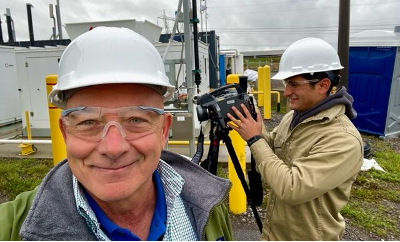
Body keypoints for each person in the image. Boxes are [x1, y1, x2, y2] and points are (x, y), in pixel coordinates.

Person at [0, 27, 233, 241]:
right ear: (65, 132)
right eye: (88, 122)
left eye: (136, 120)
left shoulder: (208, 207)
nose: (113, 148)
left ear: (163, 130)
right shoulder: (12, 227)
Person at [227, 37, 363, 240]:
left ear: (323, 85)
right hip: (276, 233)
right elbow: (274, 145)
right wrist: (254, 124)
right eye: (285, 83)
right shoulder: (295, 116)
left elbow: (292, 188)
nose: (286, 92)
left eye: (293, 84)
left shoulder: (343, 140)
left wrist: (255, 139)